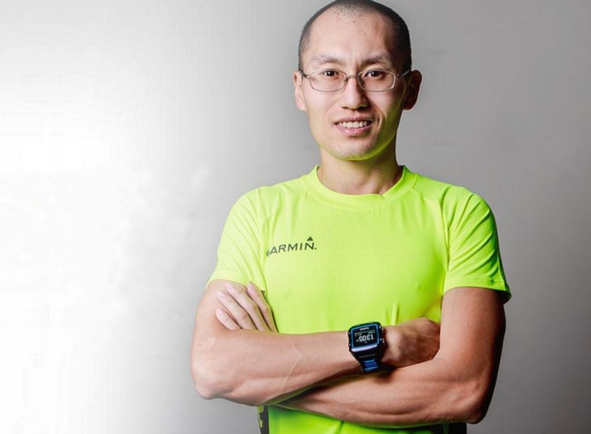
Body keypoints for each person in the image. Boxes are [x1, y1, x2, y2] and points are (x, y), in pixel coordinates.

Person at [190, 1, 511, 433]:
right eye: (330, 73)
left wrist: (269, 382)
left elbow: (463, 391)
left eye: (375, 73)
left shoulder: (459, 213)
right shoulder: (259, 213)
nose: (353, 98)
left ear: (410, 89)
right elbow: (212, 367)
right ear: (300, 89)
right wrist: (384, 342)